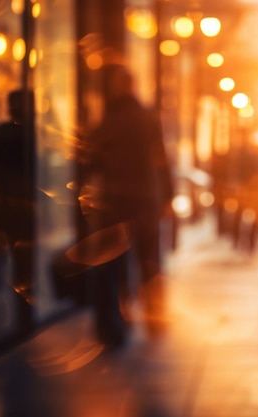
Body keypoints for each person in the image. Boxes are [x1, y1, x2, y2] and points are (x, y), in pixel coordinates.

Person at [81, 65, 173, 345]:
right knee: (150, 261)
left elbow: (90, 159)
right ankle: (155, 321)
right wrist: (168, 195)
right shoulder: (148, 117)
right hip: (146, 199)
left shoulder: (110, 121)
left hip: (116, 201)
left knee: (112, 266)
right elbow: (162, 159)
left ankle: (113, 329)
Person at [0, 89, 37, 332]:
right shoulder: (35, 135)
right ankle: (24, 319)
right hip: (22, 212)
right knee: (23, 267)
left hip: (0, 211)